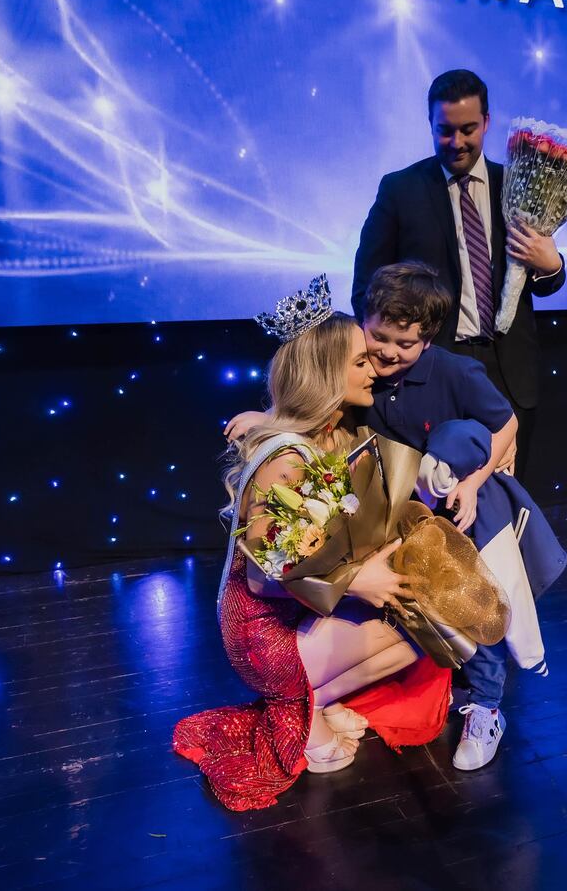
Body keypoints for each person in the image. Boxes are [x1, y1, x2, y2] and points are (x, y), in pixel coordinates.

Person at [227, 263, 567, 772]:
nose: (382, 357)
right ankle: (301, 704)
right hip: (380, 533)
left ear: (427, 340)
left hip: (460, 508)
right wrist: (271, 421)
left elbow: (504, 424)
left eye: (401, 343)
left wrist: (473, 481)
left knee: (477, 599)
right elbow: (308, 415)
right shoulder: (342, 412)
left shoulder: (451, 373)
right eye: (372, 346)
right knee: (427, 620)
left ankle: (485, 706)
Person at [174, 277, 451, 812]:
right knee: (411, 628)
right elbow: (263, 580)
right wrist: (357, 581)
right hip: (264, 634)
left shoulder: (328, 439)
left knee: (421, 627)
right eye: (360, 362)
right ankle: (296, 709)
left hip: (296, 617)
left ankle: (309, 704)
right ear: (326, 374)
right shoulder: (286, 459)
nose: (374, 370)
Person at [352, 69, 567, 481]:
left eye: (467, 129)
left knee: (507, 491)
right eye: (445, 130)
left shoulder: (516, 186)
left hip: (510, 370)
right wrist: (398, 345)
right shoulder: (400, 190)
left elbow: (548, 282)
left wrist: (551, 264)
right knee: (437, 493)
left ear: (486, 122)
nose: (456, 141)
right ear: (430, 125)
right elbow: (366, 286)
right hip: (433, 370)